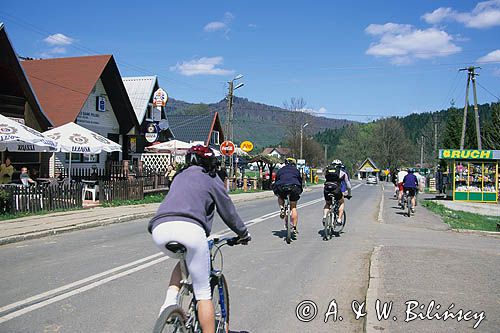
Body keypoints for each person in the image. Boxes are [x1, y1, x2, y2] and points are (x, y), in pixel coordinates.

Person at [148, 145, 251, 333]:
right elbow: (228, 212)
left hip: (159, 228)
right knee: (203, 292)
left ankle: (169, 304)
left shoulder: (179, 176)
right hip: (190, 230)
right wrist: (243, 233)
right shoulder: (211, 179)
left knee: (183, 262)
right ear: (211, 162)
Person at [273, 157, 303, 234]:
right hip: (294, 187)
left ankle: (282, 208)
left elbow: (276, 181)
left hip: (282, 187)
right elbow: (300, 181)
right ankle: (295, 227)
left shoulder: (281, 170)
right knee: (293, 207)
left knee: (280, 196)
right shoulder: (296, 170)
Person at [323, 159, 352, 226]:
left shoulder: (327, 171)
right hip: (336, 189)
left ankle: (324, 217)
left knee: (328, 203)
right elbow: (349, 186)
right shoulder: (343, 172)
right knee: (341, 202)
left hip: (326, 188)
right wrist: (349, 195)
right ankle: (339, 220)